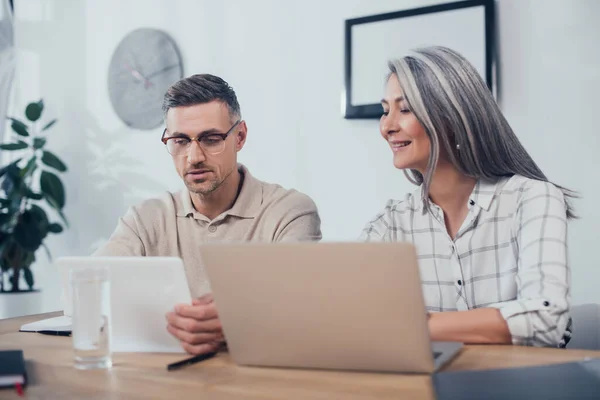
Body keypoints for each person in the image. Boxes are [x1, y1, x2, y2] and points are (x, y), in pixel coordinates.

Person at [360, 46, 575, 348]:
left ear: (452, 117)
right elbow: (360, 322)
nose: (387, 126)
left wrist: (413, 325)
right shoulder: (389, 225)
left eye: (405, 109)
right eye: (385, 111)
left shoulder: (532, 199)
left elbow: (545, 319)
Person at [94, 74, 322, 355]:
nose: (194, 157)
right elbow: (87, 290)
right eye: (179, 140)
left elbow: (296, 305)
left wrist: (236, 317)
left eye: (211, 139)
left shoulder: (290, 212)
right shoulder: (144, 220)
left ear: (240, 137)